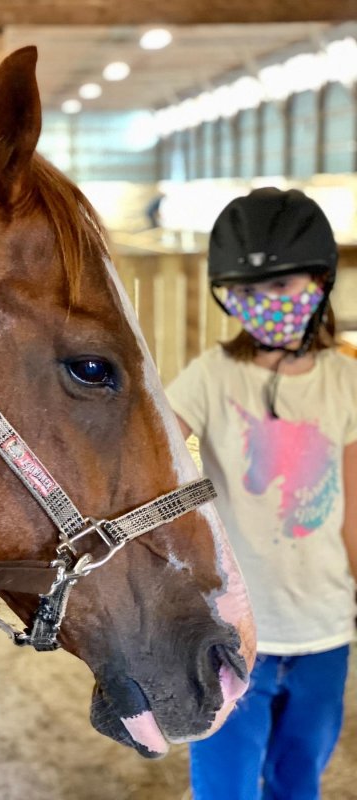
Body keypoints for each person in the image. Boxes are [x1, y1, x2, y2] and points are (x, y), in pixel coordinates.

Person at [165, 187, 357, 800]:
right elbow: (157, 444)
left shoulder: (347, 380)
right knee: (223, 786)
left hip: (324, 627)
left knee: (299, 780)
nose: (263, 305)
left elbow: (354, 506)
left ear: (320, 281)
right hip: (234, 632)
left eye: (279, 288)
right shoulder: (211, 376)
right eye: (247, 294)